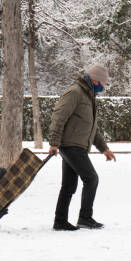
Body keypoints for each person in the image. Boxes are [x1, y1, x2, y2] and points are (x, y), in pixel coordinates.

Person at [48, 64, 116, 231]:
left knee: (69, 185)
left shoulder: (88, 96)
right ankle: (85, 218)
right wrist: (54, 143)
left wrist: (104, 149)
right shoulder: (75, 93)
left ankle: (60, 221)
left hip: (76, 146)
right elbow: (58, 117)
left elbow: (92, 128)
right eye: (102, 83)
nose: (103, 87)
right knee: (91, 178)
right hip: (71, 145)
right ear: (94, 80)